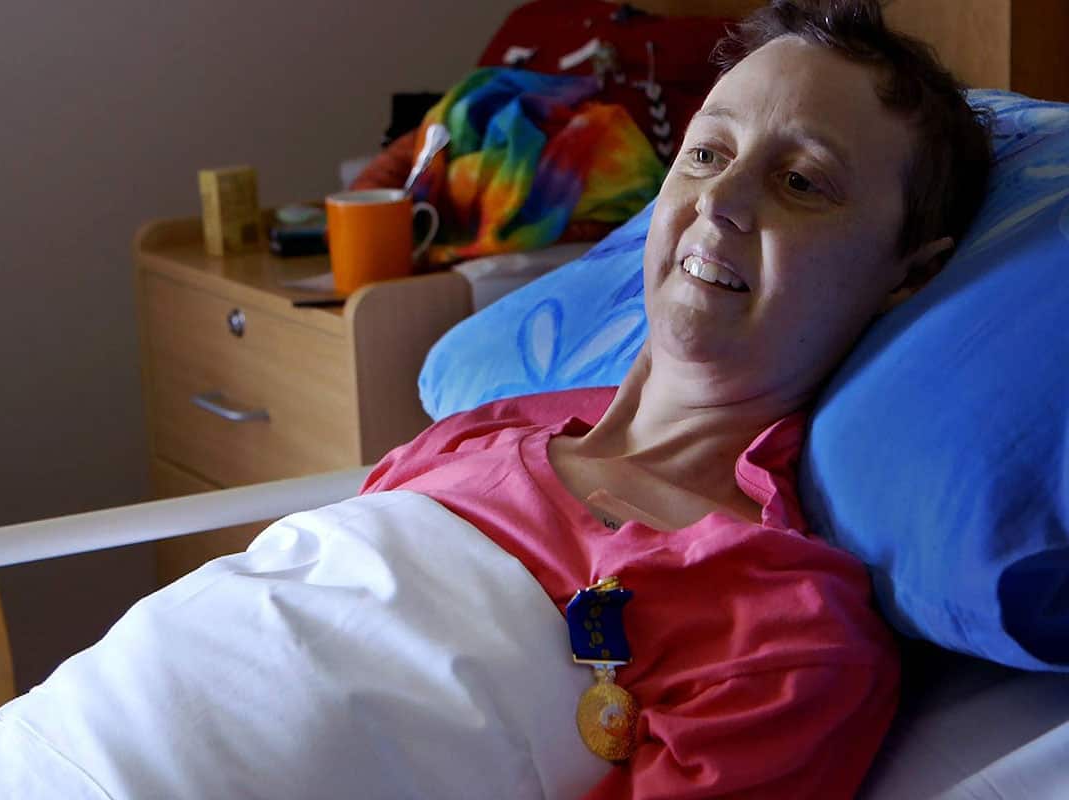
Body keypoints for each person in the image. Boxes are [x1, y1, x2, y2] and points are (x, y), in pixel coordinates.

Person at [361, 0, 993, 796]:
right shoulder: (482, 432)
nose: (718, 200)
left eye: (800, 181)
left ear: (908, 274)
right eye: (705, 153)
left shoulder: (775, 622)